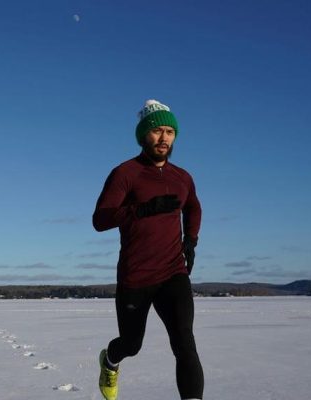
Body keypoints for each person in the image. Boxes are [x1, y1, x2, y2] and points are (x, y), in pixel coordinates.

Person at [92, 99, 204, 400]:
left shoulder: (182, 177)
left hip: (173, 272)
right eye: (157, 131)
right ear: (144, 136)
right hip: (136, 276)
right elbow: (100, 219)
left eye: (170, 131)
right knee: (131, 344)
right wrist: (142, 209)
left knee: (184, 343)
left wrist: (190, 241)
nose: (164, 137)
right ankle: (110, 360)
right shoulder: (125, 173)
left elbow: (193, 207)